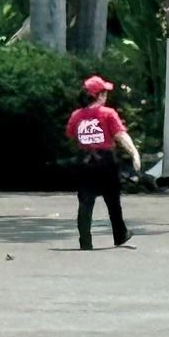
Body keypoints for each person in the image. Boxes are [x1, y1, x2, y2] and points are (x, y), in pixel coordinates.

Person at [66, 75, 140, 250]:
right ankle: (120, 235)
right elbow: (120, 136)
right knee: (113, 200)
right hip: (105, 160)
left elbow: (71, 135)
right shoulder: (108, 113)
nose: (106, 97)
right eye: (104, 93)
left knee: (85, 202)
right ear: (98, 95)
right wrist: (134, 153)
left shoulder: (76, 116)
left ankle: (85, 241)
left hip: (85, 162)